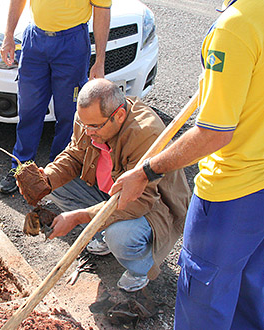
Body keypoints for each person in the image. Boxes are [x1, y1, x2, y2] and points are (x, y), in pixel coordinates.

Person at [109, 0, 264, 328]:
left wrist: (146, 172)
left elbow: (212, 136)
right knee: (246, 281)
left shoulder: (236, 26)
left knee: (204, 299)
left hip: (235, 191)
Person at [24, 79, 190, 291]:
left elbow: (138, 202)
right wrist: (46, 179)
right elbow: (75, 155)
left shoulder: (145, 133)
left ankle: (141, 268)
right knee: (56, 186)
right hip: (112, 192)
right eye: (84, 125)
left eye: (94, 126)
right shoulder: (88, 118)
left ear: (119, 115)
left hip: (152, 205)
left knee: (120, 236)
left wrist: (79, 217)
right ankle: (104, 231)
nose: (88, 131)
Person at [0, 0, 111, 194]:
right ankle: (21, 168)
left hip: (72, 43)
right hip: (35, 41)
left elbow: (102, 10)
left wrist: (100, 60)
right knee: (29, 110)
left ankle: (57, 174)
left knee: (69, 115)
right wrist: (8, 35)